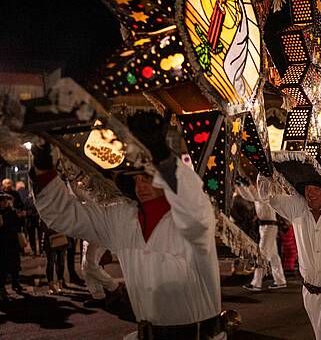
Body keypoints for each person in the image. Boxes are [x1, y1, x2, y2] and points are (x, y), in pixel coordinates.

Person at [31, 111, 226, 340]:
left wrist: (160, 153)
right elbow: (64, 216)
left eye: (146, 178)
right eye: (135, 179)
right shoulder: (122, 218)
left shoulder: (193, 220)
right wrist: (42, 167)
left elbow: (191, 198)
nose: (139, 185)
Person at [259, 153, 321, 340]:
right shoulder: (297, 209)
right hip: (312, 295)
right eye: (307, 188)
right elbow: (268, 197)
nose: (310, 193)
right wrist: (264, 172)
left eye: (316, 188)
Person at [237, 182, 287, 292]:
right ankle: (280, 281)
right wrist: (241, 186)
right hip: (266, 226)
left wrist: (243, 185)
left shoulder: (265, 196)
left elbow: (252, 195)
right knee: (274, 255)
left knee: (262, 254)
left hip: (268, 226)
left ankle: (256, 283)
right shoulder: (262, 196)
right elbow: (250, 196)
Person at [81, 241, 123, 307]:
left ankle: (114, 286)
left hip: (96, 237)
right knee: (87, 265)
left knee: (90, 264)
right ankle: (99, 296)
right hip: (90, 237)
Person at [0, 193, 24, 300]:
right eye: (2, 201)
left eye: (5, 201)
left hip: (12, 242)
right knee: (3, 268)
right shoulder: (2, 213)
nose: (4, 203)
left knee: (15, 264)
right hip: (2, 244)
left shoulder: (11, 211)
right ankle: (2, 289)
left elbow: (18, 225)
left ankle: (15, 283)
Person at [40, 220, 67, 294]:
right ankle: (51, 285)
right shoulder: (46, 212)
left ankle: (60, 284)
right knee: (51, 263)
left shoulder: (61, 212)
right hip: (50, 240)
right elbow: (43, 227)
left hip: (61, 238)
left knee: (61, 263)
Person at [16, 181, 40, 255]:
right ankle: (39, 250)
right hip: (35, 218)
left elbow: (24, 207)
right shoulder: (29, 197)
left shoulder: (27, 198)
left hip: (30, 219)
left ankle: (35, 250)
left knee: (32, 235)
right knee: (37, 235)